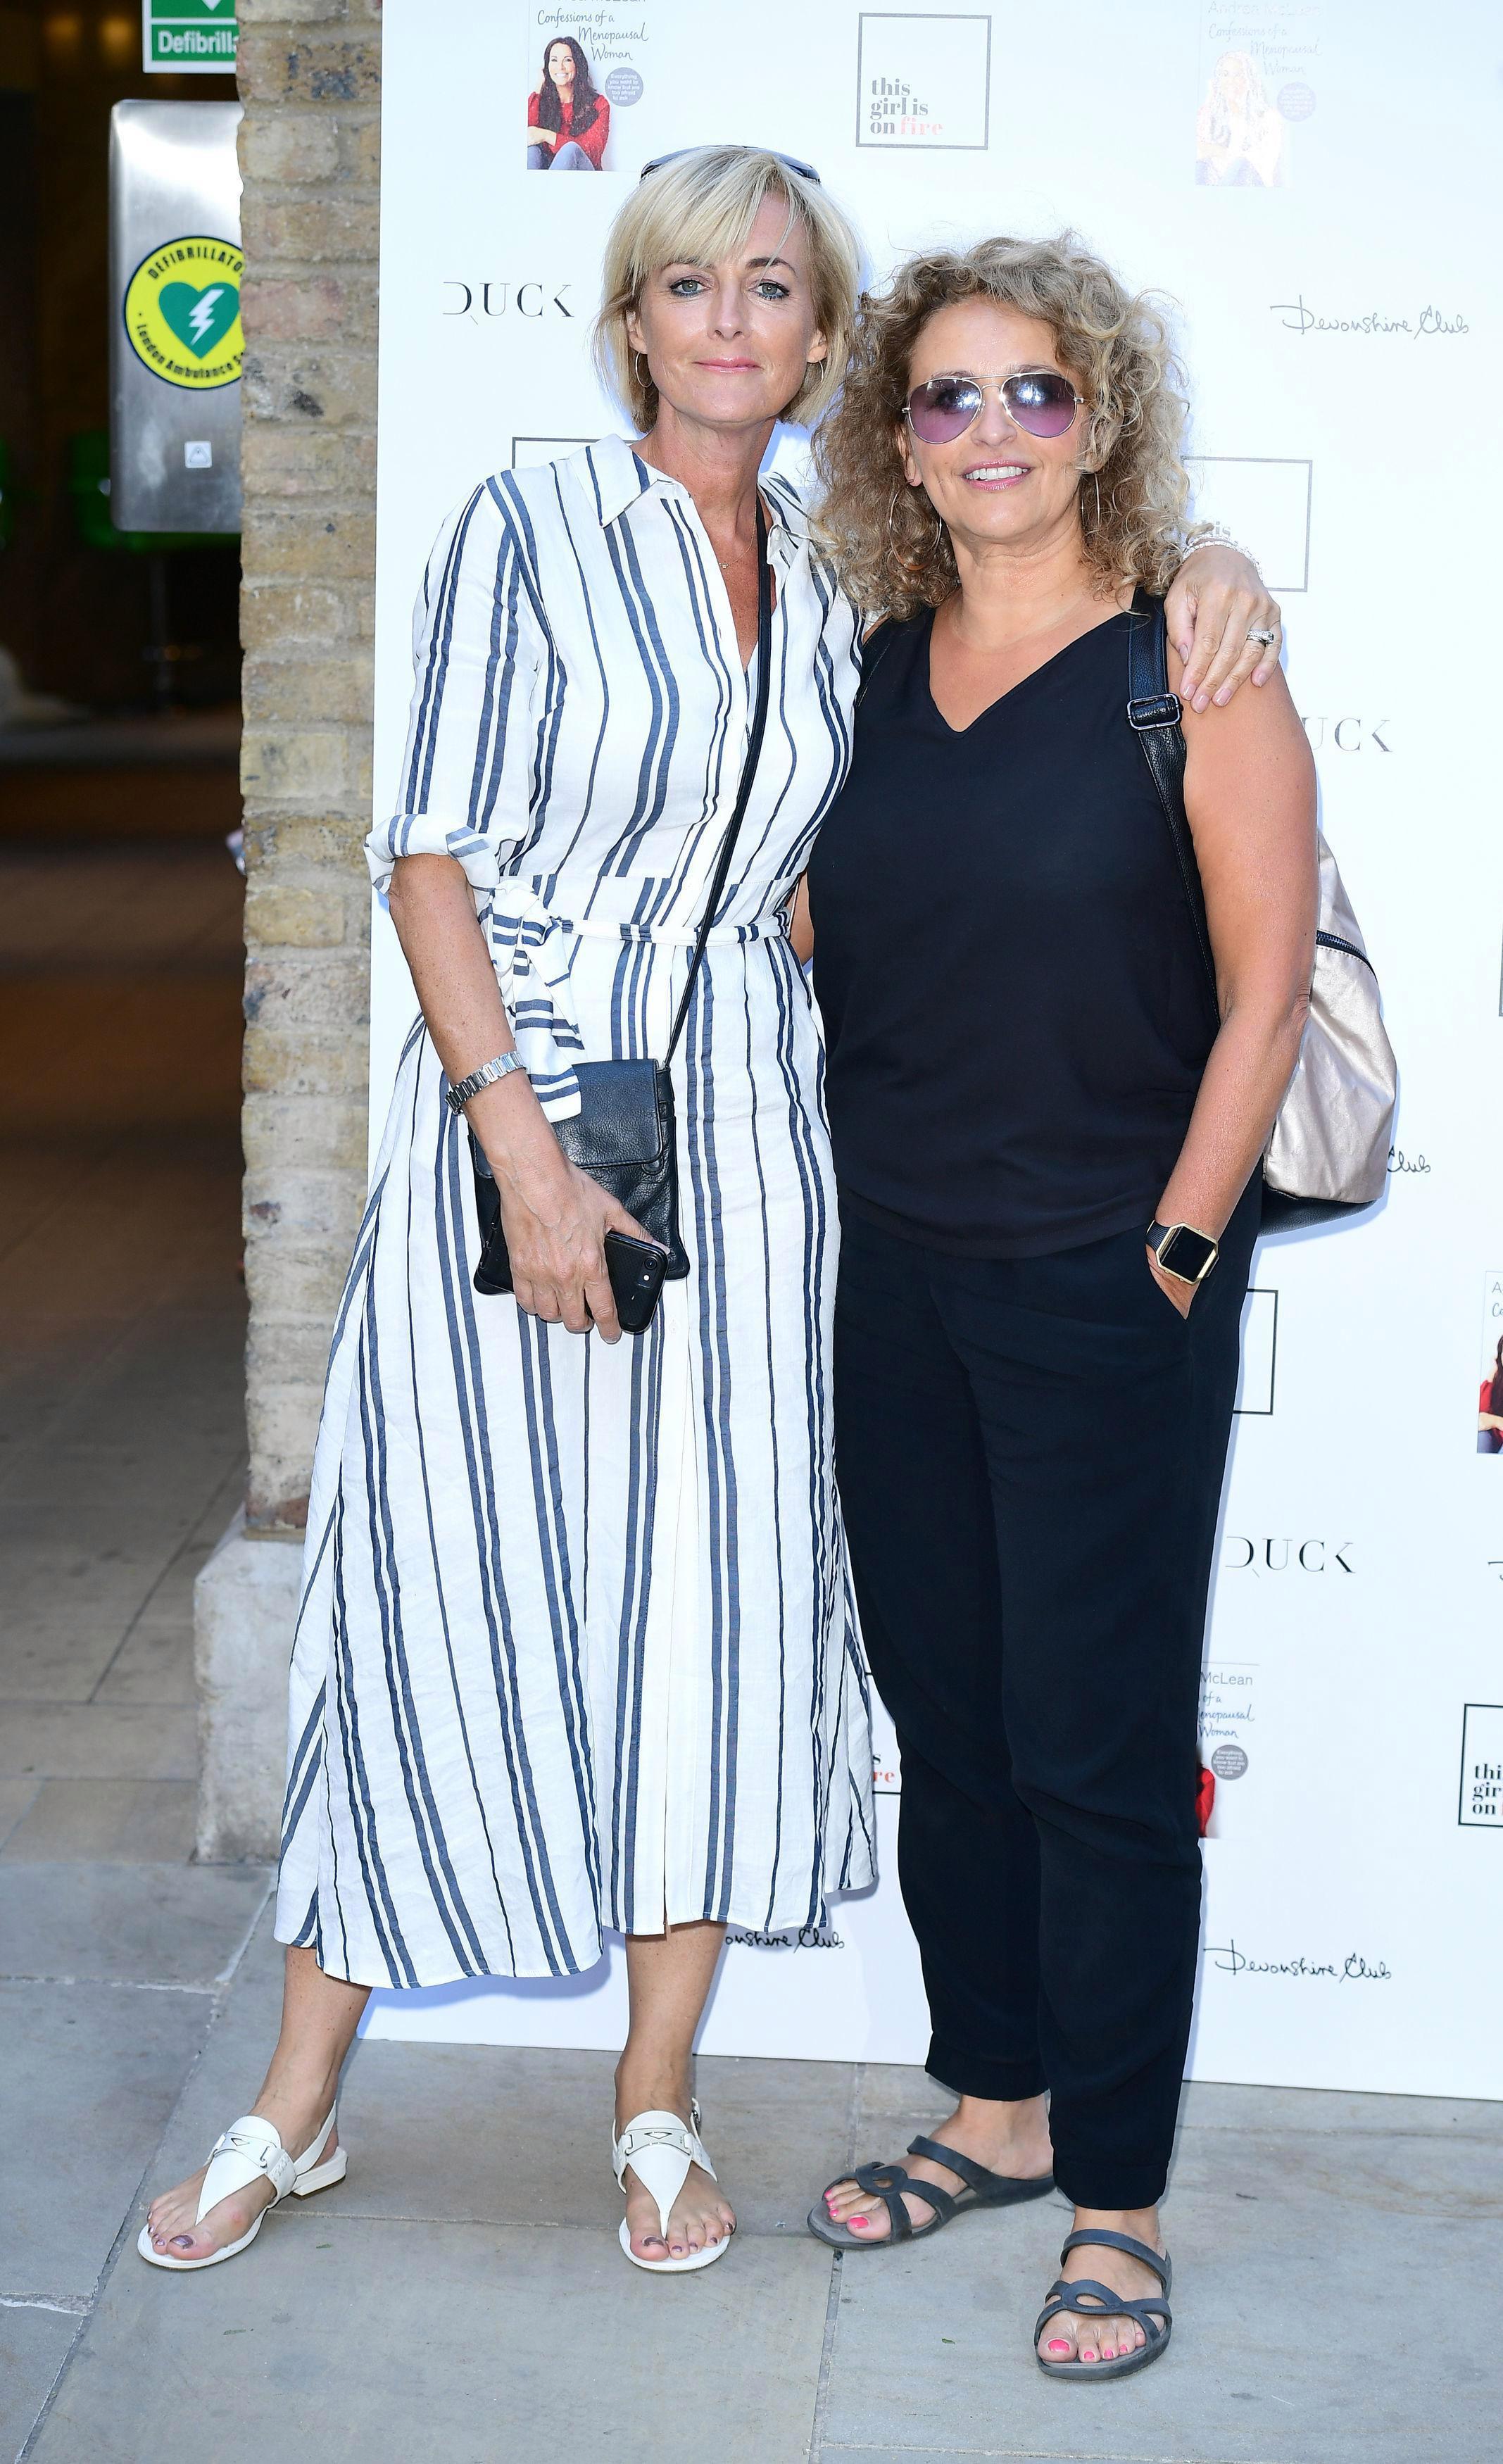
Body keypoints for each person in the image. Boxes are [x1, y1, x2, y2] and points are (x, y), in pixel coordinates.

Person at [137, 153, 1275, 2284]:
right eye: (689, 283)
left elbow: (1033, 717)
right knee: (441, 1595)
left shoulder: (851, 591)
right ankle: (294, 2097)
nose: (731, 318)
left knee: (710, 1617)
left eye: (773, 284)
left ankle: (655, 2097)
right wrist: (518, 1151)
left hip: (759, 1158)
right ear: (634, 321)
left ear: (823, 338)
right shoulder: (530, 526)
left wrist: (1215, 560)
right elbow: (424, 853)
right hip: (527, 1120)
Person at [802, 232, 1315, 2377]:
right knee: (952, 1724)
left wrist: (1172, 1251)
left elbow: (1264, 993)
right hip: (897, 1279)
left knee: (1094, 1754)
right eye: (947, 393)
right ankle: (994, 2100)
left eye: (1034, 388)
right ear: (900, 442)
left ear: (1094, 417)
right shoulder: (862, 666)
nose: (992, 426)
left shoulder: (1187, 663)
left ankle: (1116, 2194)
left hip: (1109, 1286)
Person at [527, 37, 610, 172]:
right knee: (531, 151)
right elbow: (528, 135)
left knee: (570, 149)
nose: (560, 67)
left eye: (567, 60)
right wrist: (538, 87)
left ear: (577, 65)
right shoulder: (541, 101)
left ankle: (546, 186)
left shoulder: (599, 104)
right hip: (548, 177)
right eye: (554, 60)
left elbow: (592, 151)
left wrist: (547, 136)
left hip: (584, 176)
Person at [1479, 1335, 1503, 1452]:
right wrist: (1492, 1373)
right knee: (1481, 1436)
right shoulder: (1498, 1381)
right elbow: (1481, 1416)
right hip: (1496, 1439)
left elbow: (1487, 1419)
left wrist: (1495, 1421)